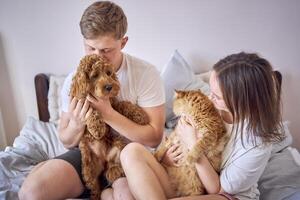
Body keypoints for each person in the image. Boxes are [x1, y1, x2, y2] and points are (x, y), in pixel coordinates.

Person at [18, 1, 165, 200]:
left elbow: (154, 137)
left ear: (123, 42)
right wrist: (77, 125)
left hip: (128, 157)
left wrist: (108, 114)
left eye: (106, 50)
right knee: (32, 192)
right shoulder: (75, 80)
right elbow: (66, 139)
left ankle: (108, 190)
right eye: (90, 48)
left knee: (124, 195)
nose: (98, 57)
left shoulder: (145, 74)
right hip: (89, 154)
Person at [120, 52, 285, 200]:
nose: (209, 97)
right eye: (211, 91)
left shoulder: (257, 141)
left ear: (243, 102)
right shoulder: (207, 105)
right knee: (130, 154)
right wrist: (167, 158)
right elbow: (178, 136)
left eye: (217, 96)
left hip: (224, 194)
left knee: (122, 194)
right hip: (187, 176)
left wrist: (192, 143)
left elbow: (218, 188)